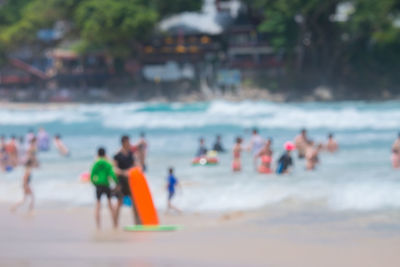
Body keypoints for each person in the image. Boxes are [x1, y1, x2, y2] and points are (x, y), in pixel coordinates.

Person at [113, 135, 139, 226]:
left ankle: (137, 223)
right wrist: (124, 172)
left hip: (131, 182)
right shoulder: (117, 155)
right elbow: (115, 169)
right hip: (121, 182)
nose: (129, 144)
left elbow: (136, 165)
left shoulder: (131, 154)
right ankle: (115, 224)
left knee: (135, 203)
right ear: (123, 143)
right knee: (119, 203)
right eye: (128, 142)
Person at [90, 147, 118, 229]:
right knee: (110, 204)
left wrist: (94, 183)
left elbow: (92, 176)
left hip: (98, 185)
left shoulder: (96, 163)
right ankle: (114, 224)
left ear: (98, 154)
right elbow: (112, 174)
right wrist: (117, 182)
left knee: (98, 205)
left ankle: (98, 226)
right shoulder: (108, 163)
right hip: (106, 185)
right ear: (105, 154)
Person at [11, 138, 38, 212]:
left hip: (25, 184)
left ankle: (14, 207)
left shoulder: (28, 169)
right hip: (25, 185)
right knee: (31, 197)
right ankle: (30, 209)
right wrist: (25, 186)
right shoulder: (28, 170)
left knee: (25, 199)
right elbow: (25, 178)